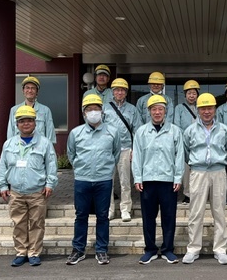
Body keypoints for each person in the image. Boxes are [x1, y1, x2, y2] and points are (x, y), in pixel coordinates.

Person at [0, 105, 58, 267]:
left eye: (29, 120)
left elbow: (51, 165)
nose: (26, 124)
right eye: (22, 121)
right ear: (17, 124)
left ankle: (34, 252)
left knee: (37, 223)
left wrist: (50, 183)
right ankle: (21, 252)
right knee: (19, 223)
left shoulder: (44, 143)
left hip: (37, 192)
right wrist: (2, 185)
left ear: (35, 123)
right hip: (16, 192)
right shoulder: (9, 144)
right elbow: (2, 166)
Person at [65, 94, 121, 265]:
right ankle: (78, 249)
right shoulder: (76, 133)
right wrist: (81, 168)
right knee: (81, 215)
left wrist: (106, 169)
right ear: (84, 113)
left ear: (102, 111)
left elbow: (116, 154)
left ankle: (101, 249)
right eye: (89, 109)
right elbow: (71, 154)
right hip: (82, 180)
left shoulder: (112, 132)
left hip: (104, 180)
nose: (93, 112)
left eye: (96, 108)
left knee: (103, 216)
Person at [182, 93, 227, 265]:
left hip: (218, 172)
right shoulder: (190, 130)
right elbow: (186, 151)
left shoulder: (224, 130)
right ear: (198, 110)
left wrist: (218, 161)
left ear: (215, 109)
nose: (206, 111)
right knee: (196, 212)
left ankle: (220, 249)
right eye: (203, 108)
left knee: (219, 212)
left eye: (210, 108)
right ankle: (193, 249)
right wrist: (198, 163)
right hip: (198, 172)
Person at [132, 95, 185, 265]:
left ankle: (168, 249)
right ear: (149, 112)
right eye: (154, 109)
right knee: (148, 217)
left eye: (160, 109)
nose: (157, 112)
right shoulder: (141, 132)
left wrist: (178, 177)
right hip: (148, 180)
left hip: (168, 180)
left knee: (169, 217)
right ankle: (150, 250)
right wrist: (137, 177)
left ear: (165, 111)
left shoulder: (175, 131)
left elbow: (179, 156)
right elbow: (137, 156)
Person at [103, 78, 138, 222]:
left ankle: (125, 209)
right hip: (108, 150)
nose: (119, 92)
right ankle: (109, 210)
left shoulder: (132, 109)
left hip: (125, 149)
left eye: (122, 90)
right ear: (112, 92)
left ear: (126, 92)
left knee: (125, 181)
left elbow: (136, 130)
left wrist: (134, 149)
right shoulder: (105, 108)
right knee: (107, 182)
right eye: (117, 90)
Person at [7, 75, 56, 144]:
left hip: (39, 148)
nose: (30, 91)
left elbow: (51, 136)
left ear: (37, 91)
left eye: (33, 88)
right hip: (19, 148)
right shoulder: (14, 110)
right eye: (27, 88)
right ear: (23, 90)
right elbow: (10, 134)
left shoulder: (45, 110)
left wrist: (48, 148)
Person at [174, 79, 200, 205]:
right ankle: (187, 194)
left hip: (199, 142)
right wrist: (186, 136)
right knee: (186, 170)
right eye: (189, 93)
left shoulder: (201, 108)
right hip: (185, 142)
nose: (191, 96)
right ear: (185, 94)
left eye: (194, 93)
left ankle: (198, 193)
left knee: (198, 169)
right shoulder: (179, 108)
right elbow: (176, 125)